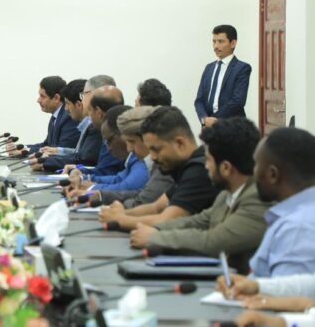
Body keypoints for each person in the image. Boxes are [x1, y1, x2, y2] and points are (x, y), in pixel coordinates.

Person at [128, 117, 269, 274]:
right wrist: (152, 229)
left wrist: (155, 237)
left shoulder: (258, 199)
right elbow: (197, 222)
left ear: (226, 168)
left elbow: (212, 241)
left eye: (208, 160)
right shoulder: (226, 194)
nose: (205, 166)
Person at [99, 106, 219, 231]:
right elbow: (156, 207)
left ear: (180, 143)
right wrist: (122, 213)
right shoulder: (184, 166)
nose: (153, 157)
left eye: (156, 150)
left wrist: (120, 219)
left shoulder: (199, 170)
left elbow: (166, 220)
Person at [242, 127, 315, 277]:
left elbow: (283, 298)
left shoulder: (297, 229)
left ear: (272, 174)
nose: (253, 172)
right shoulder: (297, 217)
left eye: (256, 164)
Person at [86, 106, 174, 209]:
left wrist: (118, 208)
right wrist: (99, 194)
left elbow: (140, 199)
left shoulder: (164, 164)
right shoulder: (154, 162)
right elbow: (141, 193)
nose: (129, 149)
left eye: (132, 142)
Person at [66, 105, 149, 197]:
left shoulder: (141, 158)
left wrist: (92, 188)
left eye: (109, 140)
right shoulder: (133, 158)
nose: (108, 148)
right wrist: (83, 178)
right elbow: (118, 179)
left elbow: (127, 187)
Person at [30, 79, 100, 172]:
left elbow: (84, 160)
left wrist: (46, 162)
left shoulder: (94, 127)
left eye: (67, 104)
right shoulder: (85, 124)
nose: (65, 109)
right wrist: (57, 151)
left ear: (79, 104)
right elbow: (78, 153)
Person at [194, 24, 252, 127]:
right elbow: (199, 100)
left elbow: (238, 101)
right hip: (209, 128)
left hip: (232, 128)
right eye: (214, 41)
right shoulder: (209, 68)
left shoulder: (242, 68)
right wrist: (204, 119)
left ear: (233, 43)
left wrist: (214, 120)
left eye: (221, 41)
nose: (216, 46)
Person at [26, 76, 80, 153]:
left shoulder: (69, 117)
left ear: (56, 98)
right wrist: (24, 149)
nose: (38, 100)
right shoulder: (56, 116)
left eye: (42, 96)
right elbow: (47, 145)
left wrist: (28, 151)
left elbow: (60, 150)